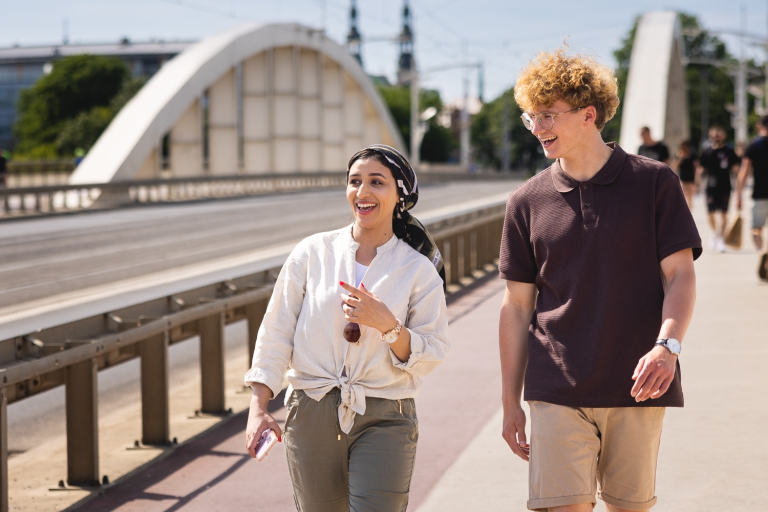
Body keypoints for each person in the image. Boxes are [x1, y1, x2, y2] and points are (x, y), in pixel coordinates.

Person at [501, 49, 701, 512]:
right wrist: (510, 400)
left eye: (548, 115)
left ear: (589, 115)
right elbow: (516, 308)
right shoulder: (525, 201)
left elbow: (681, 275)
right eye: (532, 115)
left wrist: (667, 347)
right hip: (556, 387)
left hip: (637, 384)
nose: (537, 127)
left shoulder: (655, 183)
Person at [243, 144, 449, 512]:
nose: (363, 192)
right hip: (310, 411)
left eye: (377, 182)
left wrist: (388, 325)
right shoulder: (312, 252)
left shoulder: (418, 269)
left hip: (386, 413)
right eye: (355, 181)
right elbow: (276, 330)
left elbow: (431, 354)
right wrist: (258, 407)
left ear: (400, 193)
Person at [697, 125, 741, 252]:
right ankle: (714, 233)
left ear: (723, 135)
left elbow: (735, 169)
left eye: (718, 134)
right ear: (711, 136)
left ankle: (721, 239)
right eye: (714, 135)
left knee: (723, 214)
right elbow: (701, 168)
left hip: (725, 186)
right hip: (710, 186)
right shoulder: (707, 151)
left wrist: (739, 186)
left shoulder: (729, 151)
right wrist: (697, 184)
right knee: (710, 213)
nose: (716, 137)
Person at [736, 116, 768, 280]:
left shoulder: (753, 145)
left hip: (759, 193)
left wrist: (738, 194)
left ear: (759, 127)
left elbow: (745, 171)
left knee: (756, 228)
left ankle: (762, 251)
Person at [674, 140, 697, 209]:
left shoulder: (692, 155)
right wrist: (680, 158)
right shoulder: (678, 155)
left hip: (690, 177)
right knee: (682, 196)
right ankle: (683, 210)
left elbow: (695, 166)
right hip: (682, 178)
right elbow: (675, 167)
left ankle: (689, 211)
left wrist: (696, 179)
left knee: (690, 196)